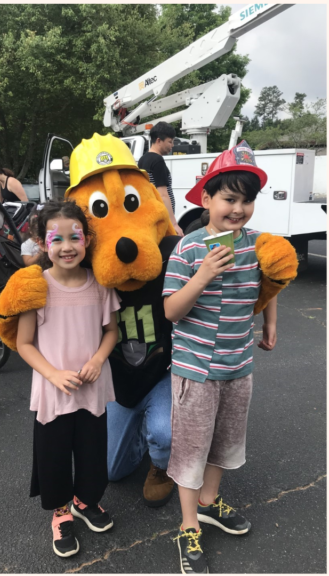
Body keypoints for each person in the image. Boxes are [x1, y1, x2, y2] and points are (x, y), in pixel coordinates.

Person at [162, 144, 278, 574]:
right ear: (206, 199)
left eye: (247, 200)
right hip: (196, 372)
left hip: (238, 367)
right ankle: (188, 525)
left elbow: (270, 284)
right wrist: (205, 274)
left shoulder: (257, 245)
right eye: (230, 198)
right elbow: (172, 311)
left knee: (225, 444)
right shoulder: (189, 249)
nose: (239, 208)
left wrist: (269, 322)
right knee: (191, 450)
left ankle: (209, 503)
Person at [15, 200, 120, 558]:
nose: (66, 246)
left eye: (74, 237)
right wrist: (53, 374)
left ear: (87, 239)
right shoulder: (36, 286)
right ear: (43, 244)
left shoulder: (100, 285)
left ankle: (84, 501)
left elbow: (111, 332)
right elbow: (23, 343)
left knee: (92, 454)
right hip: (53, 392)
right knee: (53, 456)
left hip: (92, 389)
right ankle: (61, 512)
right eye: (56, 239)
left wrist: (98, 359)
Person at [138, 121, 183, 235]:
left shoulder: (143, 159)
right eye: (170, 142)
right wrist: (174, 224)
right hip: (162, 219)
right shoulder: (158, 161)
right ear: (158, 140)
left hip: (150, 216)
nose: (172, 145)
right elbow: (163, 195)